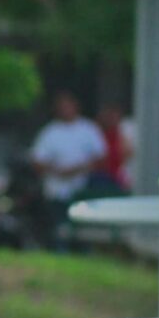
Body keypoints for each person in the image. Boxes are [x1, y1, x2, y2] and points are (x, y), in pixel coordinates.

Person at [30, 90, 106, 250]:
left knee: (83, 229)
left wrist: (78, 169)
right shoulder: (50, 132)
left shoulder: (88, 129)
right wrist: (58, 171)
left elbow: (101, 157)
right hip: (56, 190)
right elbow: (38, 161)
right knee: (59, 228)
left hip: (83, 188)